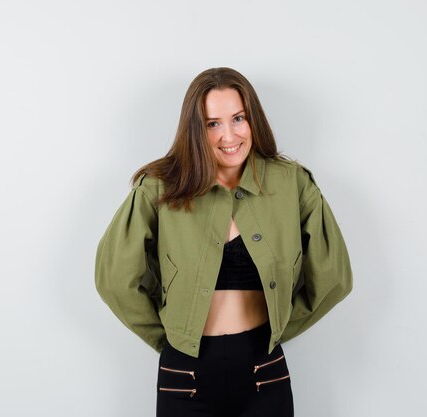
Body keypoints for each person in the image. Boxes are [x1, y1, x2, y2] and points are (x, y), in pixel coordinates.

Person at [95, 67, 353, 417]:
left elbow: (333, 276)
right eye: (212, 123)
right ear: (194, 130)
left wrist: (279, 327)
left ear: (253, 120)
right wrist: (172, 335)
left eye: (238, 118)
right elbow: (115, 278)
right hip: (185, 375)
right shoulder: (160, 186)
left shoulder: (292, 183)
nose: (228, 135)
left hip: (265, 372)